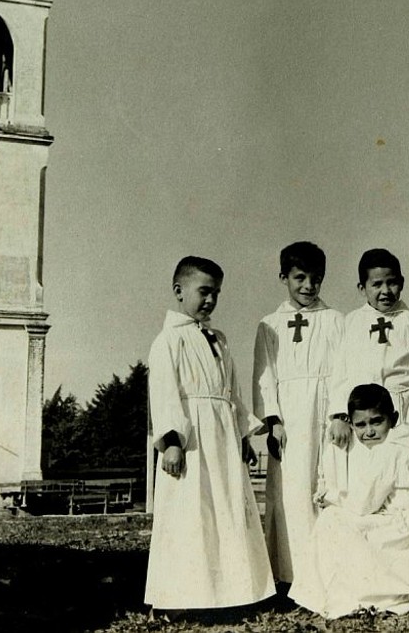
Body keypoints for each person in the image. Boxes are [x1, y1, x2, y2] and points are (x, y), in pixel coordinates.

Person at [145, 256, 274, 613]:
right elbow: (165, 393)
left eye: (216, 293)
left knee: (226, 510)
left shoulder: (220, 339)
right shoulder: (168, 341)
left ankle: (232, 594)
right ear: (179, 291)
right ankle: (179, 598)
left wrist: (243, 436)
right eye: (203, 291)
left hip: (222, 437)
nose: (211, 300)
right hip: (191, 441)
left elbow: (231, 392)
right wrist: (172, 442)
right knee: (191, 514)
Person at [290, 384, 409, 618]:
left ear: (393, 419)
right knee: (339, 521)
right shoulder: (402, 442)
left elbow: (364, 504)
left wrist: (330, 497)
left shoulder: (393, 450)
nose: (369, 432)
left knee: (332, 519)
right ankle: (350, 588)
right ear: (351, 425)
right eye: (361, 425)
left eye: (376, 422)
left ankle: (350, 592)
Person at [252, 241, 345, 584]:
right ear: (284, 278)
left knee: (328, 486)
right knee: (291, 493)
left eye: (315, 279)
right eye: (300, 278)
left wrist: (340, 414)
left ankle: (330, 573)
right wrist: (273, 421)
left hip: (326, 413)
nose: (308, 286)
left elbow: (344, 369)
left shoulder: (335, 320)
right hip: (289, 420)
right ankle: (292, 575)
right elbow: (264, 376)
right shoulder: (269, 324)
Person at [329, 248, 409, 468]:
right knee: (369, 469)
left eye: (392, 283)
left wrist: (403, 394)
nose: (385, 291)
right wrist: (340, 416)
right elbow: (340, 372)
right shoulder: (352, 322)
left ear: (402, 283)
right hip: (365, 411)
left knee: (407, 465)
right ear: (362, 288)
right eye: (377, 284)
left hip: (403, 407)